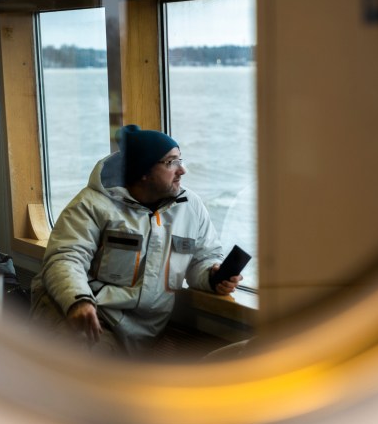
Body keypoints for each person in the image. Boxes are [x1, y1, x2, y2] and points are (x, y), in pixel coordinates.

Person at [29, 124, 242, 356]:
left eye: (180, 160)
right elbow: (66, 257)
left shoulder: (190, 207)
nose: (183, 170)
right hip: (90, 313)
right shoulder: (91, 205)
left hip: (144, 332)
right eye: (171, 162)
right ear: (144, 172)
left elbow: (202, 258)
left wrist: (212, 276)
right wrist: (78, 300)